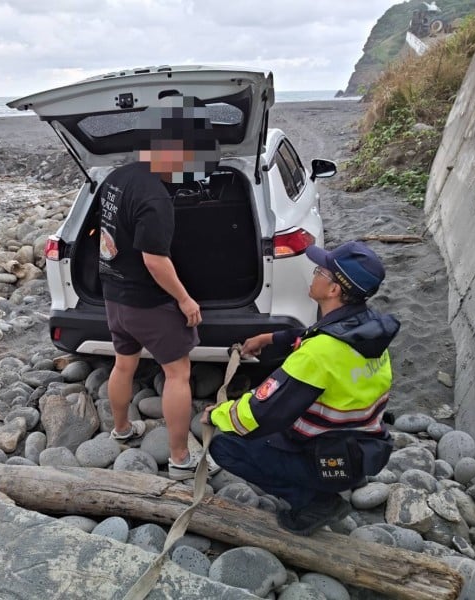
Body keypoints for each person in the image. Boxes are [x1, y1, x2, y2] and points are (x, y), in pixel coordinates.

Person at [203, 241, 400, 535]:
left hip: (328, 456)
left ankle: (315, 502)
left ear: (334, 290)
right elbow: (313, 336)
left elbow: (260, 413)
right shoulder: (367, 329)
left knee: (225, 446)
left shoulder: (319, 355)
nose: (314, 273)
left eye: (321, 270)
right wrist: (270, 338)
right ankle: (335, 480)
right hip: (361, 445)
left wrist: (218, 414)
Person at [100, 94, 221, 480]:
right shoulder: (156, 197)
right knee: (178, 374)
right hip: (148, 301)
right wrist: (184, 299)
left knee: (123, 363)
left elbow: (106, 237)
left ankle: (121, 430)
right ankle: (181, 459)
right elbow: (154, 259)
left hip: (114, 295)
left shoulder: (117, 178)